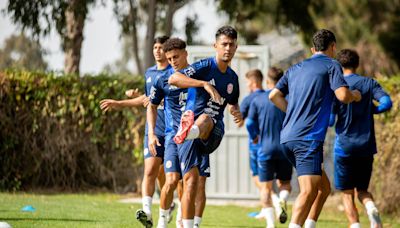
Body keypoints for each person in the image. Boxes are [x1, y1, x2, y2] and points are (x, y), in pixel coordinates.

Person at [269, 29, 362, 228]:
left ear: (313, 49)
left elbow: (274, 96)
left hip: (287, 137)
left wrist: (293, 113)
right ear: (333, 47)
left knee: (323, 188)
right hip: (307, 138)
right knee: (308, 190)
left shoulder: (295, 68)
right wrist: (354, 94)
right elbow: (343, 96)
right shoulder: (332, 64)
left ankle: (308, 225)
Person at [167, 25, 244, 227]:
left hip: (213, 132)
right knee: (192, 183)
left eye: (231, 45)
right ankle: (189, 225)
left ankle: (189, 131)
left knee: (207, 119)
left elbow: (233, 101)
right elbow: (174, 78)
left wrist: (236, 111)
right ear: (215, 46)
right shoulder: (204, 67)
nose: (227, 48)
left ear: (236, 47)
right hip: (191, 131)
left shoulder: (233, 79)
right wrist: (203, 84)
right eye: (224, 44)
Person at [100, 36, 173, 228]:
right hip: (154, 129)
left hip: (172, 130)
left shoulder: (175, 72)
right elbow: (147, 99)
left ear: (168, 51)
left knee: (167, 176)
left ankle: (167, 212)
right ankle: (147, 211)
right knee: (150, 170)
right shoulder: (149, 73)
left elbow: (157, 99)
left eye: (161, 48)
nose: (157, 51)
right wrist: (119, 103)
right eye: (155, 47)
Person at [147, 38, 210, 228]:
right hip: (173, 138)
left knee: (197, 183)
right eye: (170, 58)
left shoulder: (200, 75)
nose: (173, 61)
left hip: (195, 137)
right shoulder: (162, 79)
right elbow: (151, 106)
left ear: (185, 53)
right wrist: (151, 133)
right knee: (172, 180)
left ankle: (193, 223)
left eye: (176, 57)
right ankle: (163, 219)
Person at [330, 49, 392, 228]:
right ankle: (371, 207)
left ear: (339, 66)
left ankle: (355, 225)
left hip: (344, 148)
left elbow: (329, 121)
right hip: (366, 147)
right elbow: (387, 103)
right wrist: (373, 109)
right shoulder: (369, 83)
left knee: (347, 193)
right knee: (363, 190)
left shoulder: (337, 88)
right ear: (357, 64)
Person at [246, 68, 292, 227]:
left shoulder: (258, 99)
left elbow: (249, 123)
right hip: (285, 149)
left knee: (265, 188)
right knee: (285, 184)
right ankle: (282, 200)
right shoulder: (288, 99)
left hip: (265, 149)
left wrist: (254, 137)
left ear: (267, 81)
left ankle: (271, 224)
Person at [240, 69, 265, 192]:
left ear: (253, 83)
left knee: (256, 175)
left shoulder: (248, 99)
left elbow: (240, 122)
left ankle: (272, 202)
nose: (246, 85)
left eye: (247, 82)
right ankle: (269, 207)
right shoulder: (270, 96)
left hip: (255, 143)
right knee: (271, 176)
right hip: (272, 141)